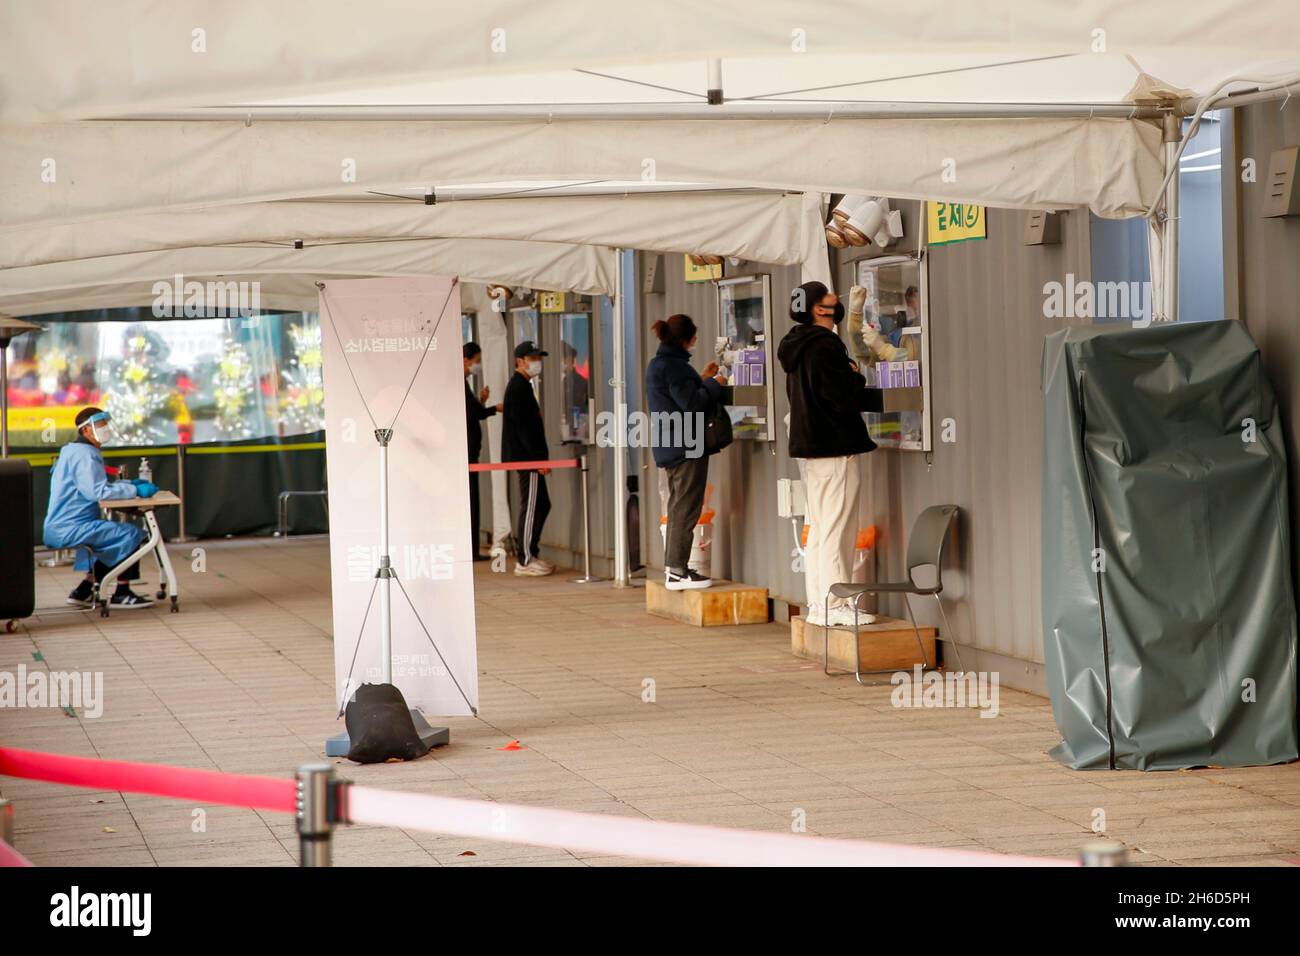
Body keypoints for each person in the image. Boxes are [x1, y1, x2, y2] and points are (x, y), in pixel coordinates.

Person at [777, 281, 878, 627]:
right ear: (819, 309)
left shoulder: (796, 346)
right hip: (836, 446)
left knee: (820, 528)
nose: (837, 302)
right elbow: (841, 396)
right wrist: (855, 377)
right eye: (831, 299)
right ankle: (836, 605)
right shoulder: (824, 345)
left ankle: (820, 604)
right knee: (838, 528)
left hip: (812, 449)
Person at [43, 407, 157, 609]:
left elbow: (94, 486)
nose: (106, 429)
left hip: (62, 525)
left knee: (109, 537)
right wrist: (134, 490)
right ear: (86, 430)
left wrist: (129, 486)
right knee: (129, 534)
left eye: (106, 425)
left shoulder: (72, 450)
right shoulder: (85, 454)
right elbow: (98, 492)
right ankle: (122, 593)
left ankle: (85, 590)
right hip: (72, 527)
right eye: (101, 425)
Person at [645, 314, 728, 591]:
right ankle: (678, 571)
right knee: (686, 509)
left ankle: (675, 567)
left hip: (670, 444)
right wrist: (715, 383)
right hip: (686, 445)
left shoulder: (659, 364)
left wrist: (703, 379)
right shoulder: (676, 367)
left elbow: (679, 397)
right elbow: (693, 404)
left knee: (677, 507)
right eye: (694, 337)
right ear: (685, 339)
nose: (696, 341)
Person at [501, 341, 554, 576]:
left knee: (542, 503)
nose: (536, 362)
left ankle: (531, 551)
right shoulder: (518, 387)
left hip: (531, 457)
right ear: (519, 361)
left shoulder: (523, 385)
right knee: (531, 504)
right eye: (532, 358)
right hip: (527, 459)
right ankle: (524, 559)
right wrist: (538, 460)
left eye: (538, 358)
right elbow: (525, 429)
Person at [463, 343, 502, 562]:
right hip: (467, 452)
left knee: (473, 497)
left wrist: (482, 402)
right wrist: (493, 408)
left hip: (471, 450)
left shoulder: (464, 383)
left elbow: (473, 410)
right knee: (471, 498)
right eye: (476, 360)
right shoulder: (459, 382)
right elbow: (472, 414)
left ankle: (473, 548)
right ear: (466, 360)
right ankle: (472, 549)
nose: (478, 365)